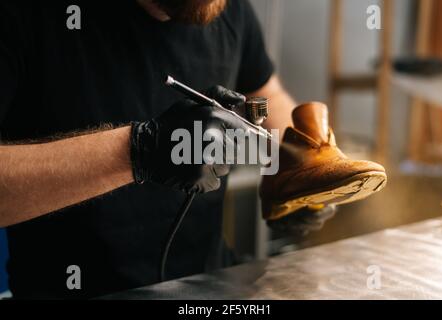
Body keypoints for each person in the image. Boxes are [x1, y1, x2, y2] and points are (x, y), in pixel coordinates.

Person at [0, 0, 311, 299]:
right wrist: (140, 149)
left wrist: (303, 171)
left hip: (210, 286)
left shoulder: (233, 11)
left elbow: (267, 95)